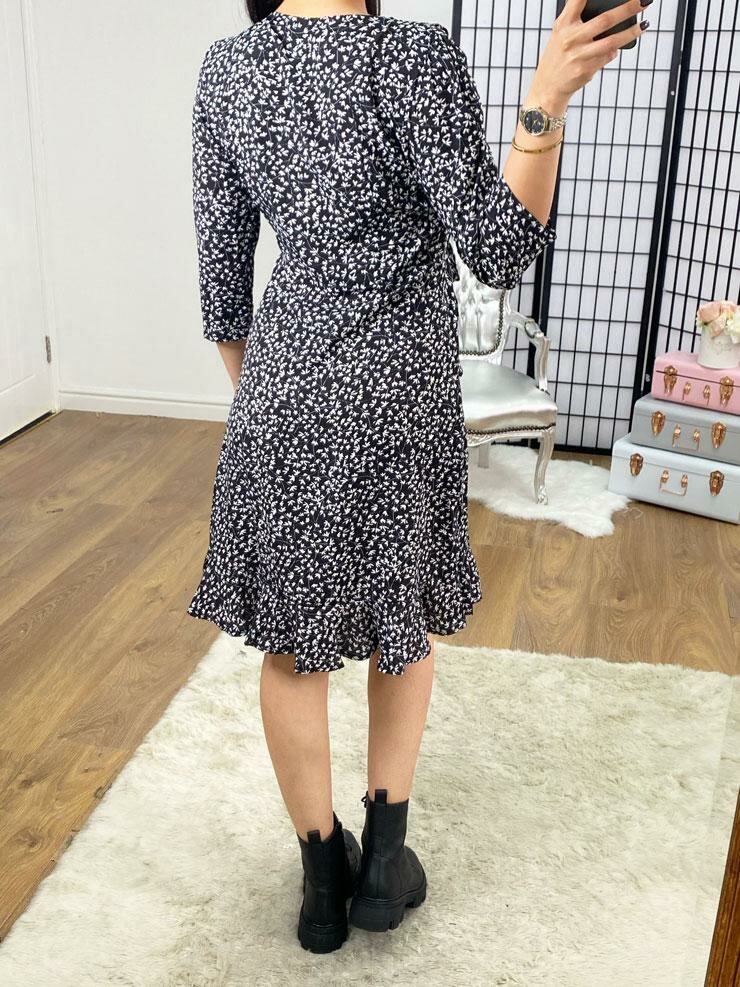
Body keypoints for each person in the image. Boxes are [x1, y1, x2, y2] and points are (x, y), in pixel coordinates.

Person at [187, 0, 652, 954]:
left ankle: (323, 882)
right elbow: (499, 248)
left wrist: (279, 411)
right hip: (401, 394)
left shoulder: (225, 70)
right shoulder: (413, 55)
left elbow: (223, 294)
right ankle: (384, 867)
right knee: (400, 621)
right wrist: (547, 99)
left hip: (283, 390)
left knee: (293, 649)